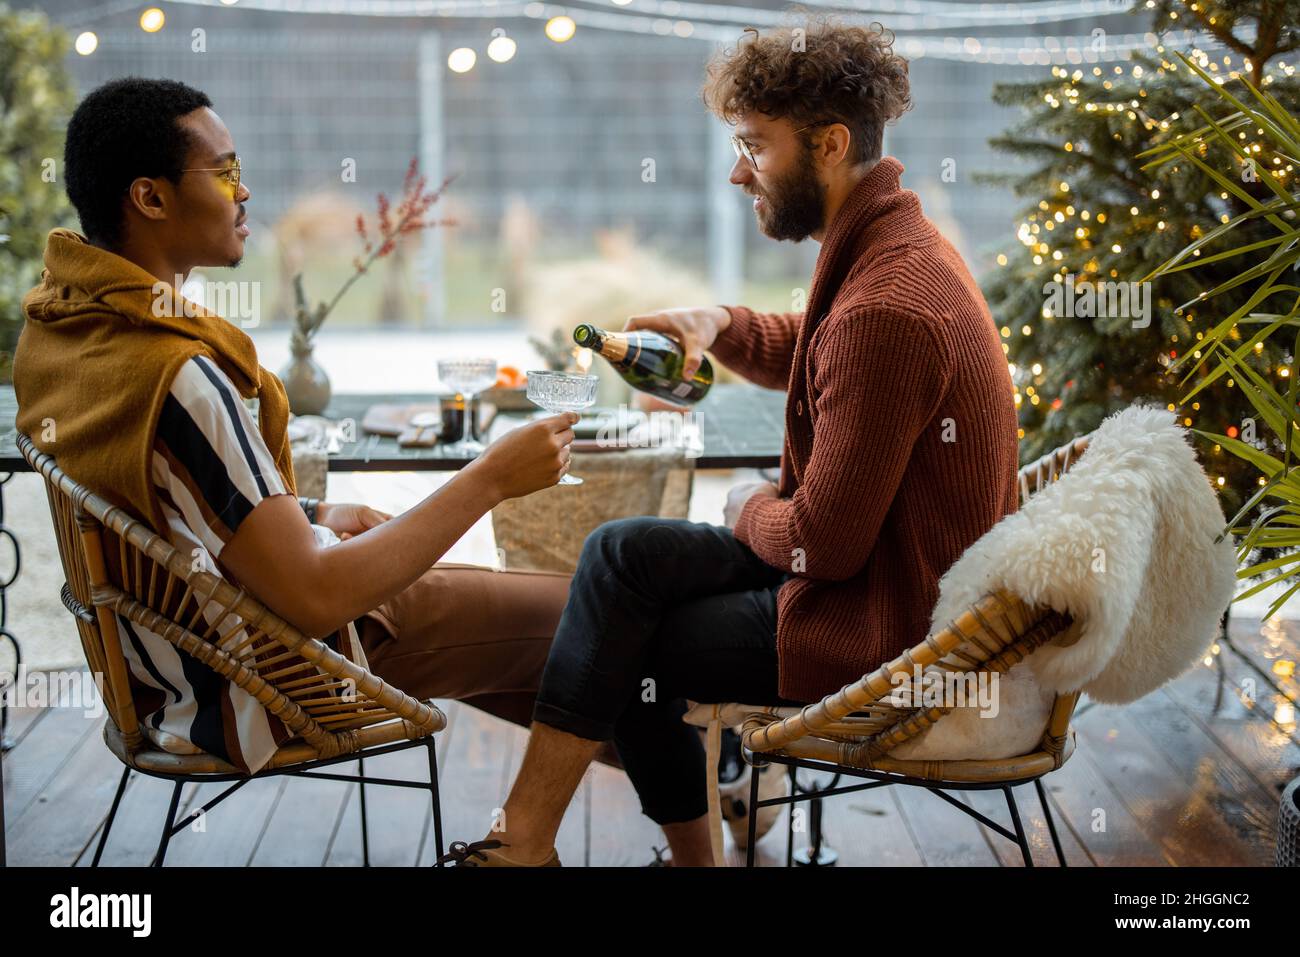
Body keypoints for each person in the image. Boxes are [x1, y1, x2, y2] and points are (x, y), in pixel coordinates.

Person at [439, 18, 1020, 867]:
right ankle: (556, 842)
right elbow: (820, 347)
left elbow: (822, 541)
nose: (737, 169)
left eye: (755, 146)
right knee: (621, 555)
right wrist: (718, 325)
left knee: (632, 637)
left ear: (829, 144)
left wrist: (750, 501)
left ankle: (564, 847)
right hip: (879, 573)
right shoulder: (893, 245)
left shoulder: (889, 303)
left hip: (888, 622)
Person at [13, 77, 585, 774]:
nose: (244, 192)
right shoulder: (177, 375)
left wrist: (312, 509)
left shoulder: (69, 331)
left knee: (598, 659)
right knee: (605, 609)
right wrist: (492, 476)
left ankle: (659, 827)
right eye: (225, 173)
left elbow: (165, 506)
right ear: (151, 197)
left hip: (166, 679)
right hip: (276, 670)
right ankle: (662, 825)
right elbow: (317, 596)